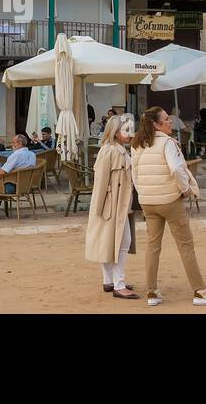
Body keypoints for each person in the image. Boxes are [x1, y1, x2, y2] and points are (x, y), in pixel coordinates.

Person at [131, 107, 206, 307]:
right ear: (156, 124)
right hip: (169, 199)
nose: (170, 122)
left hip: (148, 201)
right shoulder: (167, 143)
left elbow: (134, 174)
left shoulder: (137, 143)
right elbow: (176, 169)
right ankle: (200, 290)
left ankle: (152, 291)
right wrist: (185, 190)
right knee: (185, 245)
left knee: (152, 246)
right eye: (166, 119)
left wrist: (143, 192)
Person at [86, 114, 139, 299]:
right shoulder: (109, 151)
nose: (129, 133)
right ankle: (118, 283)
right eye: (126, 130)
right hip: (112, 205)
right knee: (120, 242)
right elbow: (100, 182)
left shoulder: (118, 150)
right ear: (115, 132)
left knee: (112, 242)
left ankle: (110, 281)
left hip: (118, 204)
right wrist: (99, 208)